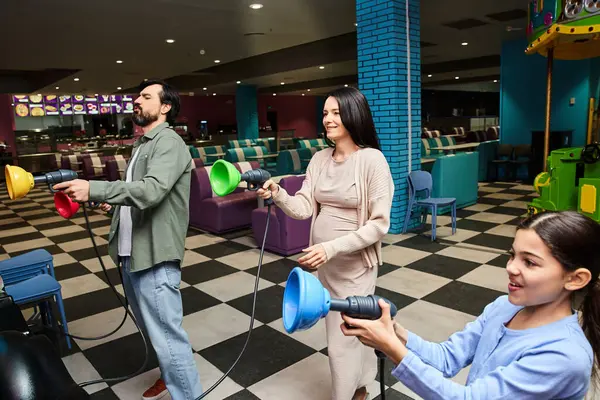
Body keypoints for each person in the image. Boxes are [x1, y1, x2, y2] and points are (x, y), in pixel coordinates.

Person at [341, 210, 600, 399]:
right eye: (512, 255)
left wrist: (392, 348)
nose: (511, 268)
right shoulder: (504, 307)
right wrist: (397, 334)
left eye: (529, 262)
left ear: (575, 279)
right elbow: (446, 358)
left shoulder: (563, 356)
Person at [53, 80, 202, 400]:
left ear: (165, 107)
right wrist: (113, 206)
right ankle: (168, 375)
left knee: (168, 337)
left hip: (155, 256)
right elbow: (138, 198)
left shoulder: (169, 142)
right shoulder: (143, 144)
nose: (137, 101)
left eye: (146, 97)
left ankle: (187, 392)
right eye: (138, 96)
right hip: (131, 254)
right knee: (154, 330)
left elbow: (151, 192)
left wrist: (94, 188)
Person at [257, 86, 394, 400]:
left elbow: (379, 225)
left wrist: (330, 248)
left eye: (336, 112)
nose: (328, 119)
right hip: (324, 267)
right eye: (325, 113)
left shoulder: (372, 161)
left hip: (355, 269)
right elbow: (304, 208)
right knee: (351, 332)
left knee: (340, 344)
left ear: (353, 115)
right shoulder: (319, 160)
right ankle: (361, 387)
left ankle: (345, 395)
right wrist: (278, 194)